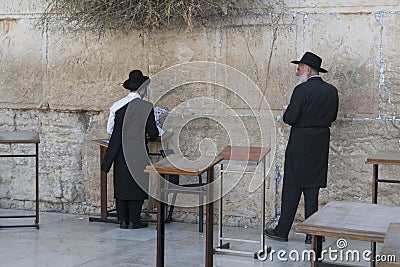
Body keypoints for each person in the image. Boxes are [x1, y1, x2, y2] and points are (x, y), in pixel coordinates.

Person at [264, 52, 339, 243]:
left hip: (301, 141)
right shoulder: (332, 91)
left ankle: (282, 231)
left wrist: (286, 112)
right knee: (312, 187)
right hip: (320, 142)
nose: (297, 73)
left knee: (292, 185)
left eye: (298, 69)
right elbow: (332, 117)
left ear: (307, 69)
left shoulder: (302, 90)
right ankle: (312, 234)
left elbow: (290, 118)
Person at [101, 69, 159, 229]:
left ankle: (123, 220)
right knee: (137, 183)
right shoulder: (146, 107)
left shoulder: (117, 106)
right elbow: (154, 134)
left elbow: (110, 130)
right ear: (142, 89)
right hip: (138, 151)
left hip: (120, 150)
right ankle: (134, 220)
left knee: (121, 182)